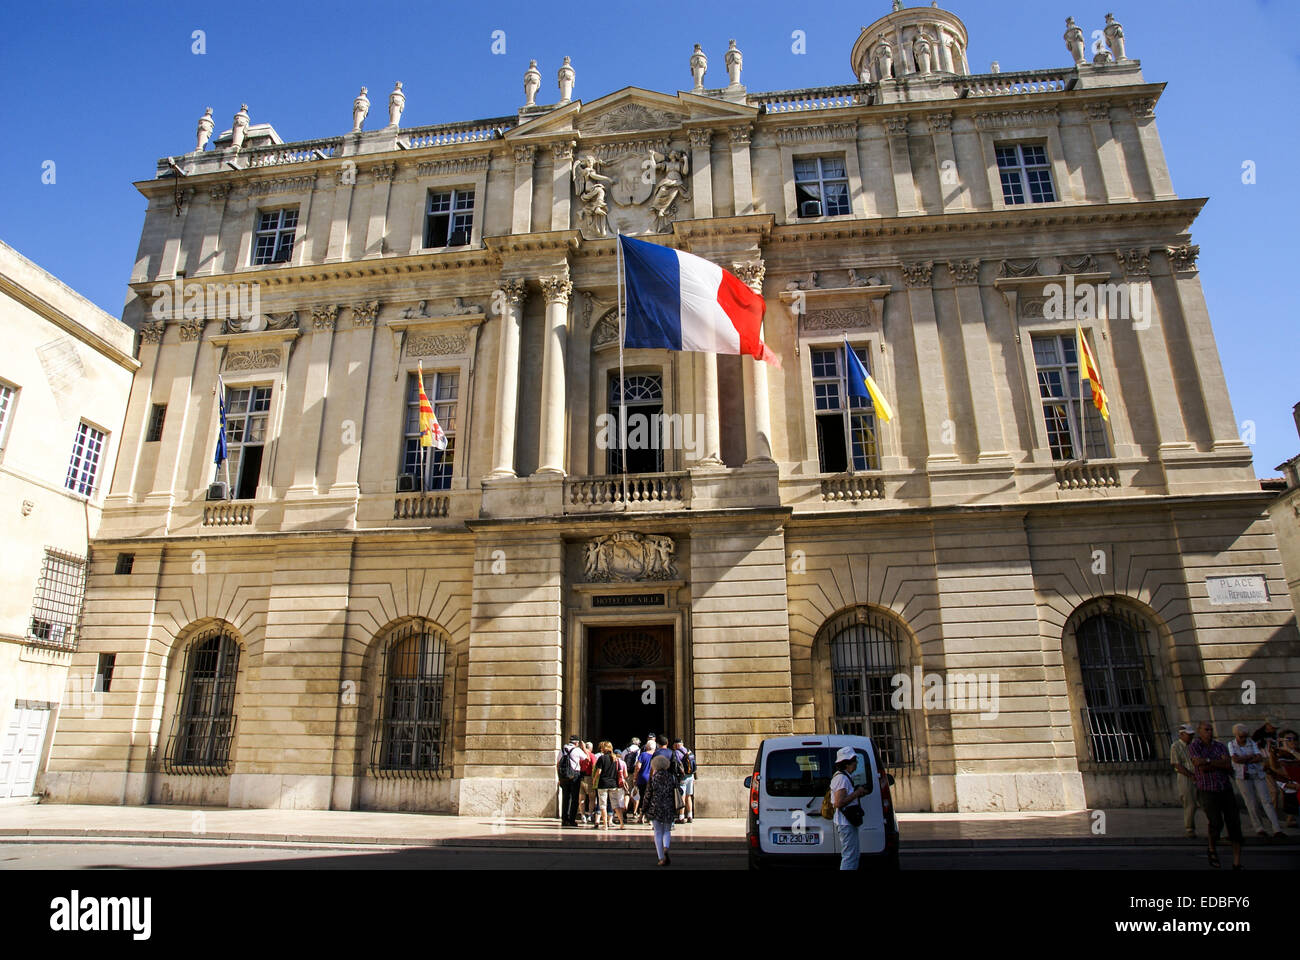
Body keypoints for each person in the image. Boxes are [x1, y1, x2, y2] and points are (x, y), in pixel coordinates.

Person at [1188, 721, 1243, 869]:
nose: (1210, 732)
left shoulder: (1220, 746)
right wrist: (1216, 763)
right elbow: (1200, 766)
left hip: (1224, 787)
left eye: (1211, 729)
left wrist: (1208, 762)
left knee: (1234, 823)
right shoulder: (1195, 746)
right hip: (1207, 789)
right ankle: (1211, 848)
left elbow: (1227, 765)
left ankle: (1237, 862)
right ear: (1199, 731)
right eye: (1206, 730)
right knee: (1216, 822)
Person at [1230, 723, 1282, 838]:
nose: (1244, 739)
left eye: (1245, 736)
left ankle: (1276, 828)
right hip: (1242, 775)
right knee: (1251, 802)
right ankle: (1259, 827)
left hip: (1258, 773)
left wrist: (1245, 758)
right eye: (1241, 736)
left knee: (1266, 800)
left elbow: (1259, 757)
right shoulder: (1231, 744)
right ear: (1236, 735)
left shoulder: (1251, 743)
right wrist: (1249, 757)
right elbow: (1236, 759)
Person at [830, 745, 870, 871]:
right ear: (847, 763)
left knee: (852, 854)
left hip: (846, 822)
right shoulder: (842, 778)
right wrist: (856, 793)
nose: (856, 764)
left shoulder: (843, 776)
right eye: (854, 761)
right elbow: (839, 802)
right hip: (845, 823)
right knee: (850, 856)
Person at [643, 753, 680, 865]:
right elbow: (679, 791)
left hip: (656, 807)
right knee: (667, 830)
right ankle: (666, 847)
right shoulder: (671, 777)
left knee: (658, 832)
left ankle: (661, 857)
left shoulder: (653, 778)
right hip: (668, 807)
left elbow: (648, 794)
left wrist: (643, 809)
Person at [1170, 723, 1199, 837]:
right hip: (1185, 777)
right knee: (1190, 803)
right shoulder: (1176, 746)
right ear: (1181, 734)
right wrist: (1191, 775)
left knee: (1206, 802)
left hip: (1199, 775)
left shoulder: (1194, 745)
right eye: (1188, 734)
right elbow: (1177, 765)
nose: (1191, 737)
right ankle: (1190, 828)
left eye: (1191, 735)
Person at [1268, 729, 1299, 827]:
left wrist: (1291, 750)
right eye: (1288, 739)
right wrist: (1272, 753)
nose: (1292, 741)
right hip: (1289, 787)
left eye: (1294, 739)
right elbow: (1275, 769)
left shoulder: (1297, 753)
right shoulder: (1279, 755)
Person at [557, 736, 584, 827]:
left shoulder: (562, 749)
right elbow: (586, 758)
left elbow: (558, 764)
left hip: (564, 776)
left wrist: (559, 777)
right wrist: (583, 748)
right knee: (574, 798)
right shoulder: (577, 750)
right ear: (576, 743)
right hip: (574, 775)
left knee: (566, 798)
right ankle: (572, 820)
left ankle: (564, 819)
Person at [592, 741, 620, 830]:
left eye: (601, 747)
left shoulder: (602, 758)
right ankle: (621, 822)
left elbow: (599, 771)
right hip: (613, 783)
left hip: (603, 783)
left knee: (602, 805)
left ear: (604, 749)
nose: (600, 749)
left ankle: (605, 825)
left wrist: (594, 779)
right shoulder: (615, 758)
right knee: (614, 804)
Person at [673, 738, 696, 824]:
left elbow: (677, 765)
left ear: (676, 745)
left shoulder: (676, 752)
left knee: (682, 797)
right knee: (688, 796)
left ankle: (681, 817)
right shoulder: (688, 750)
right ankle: (690, 816)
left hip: (683, 777)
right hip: (691, 776)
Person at [633, 739, 655, 824]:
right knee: (652, 798)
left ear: (647, 747)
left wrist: (635, 778)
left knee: (643, 798)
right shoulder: (657, 755)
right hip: (653, 779)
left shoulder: (643, 755)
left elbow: (638, 767)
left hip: (642, 779)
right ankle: (650, 819)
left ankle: (641, 817)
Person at [578, 741, 596, 823]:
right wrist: (594, 779)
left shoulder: (580, 755)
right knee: (591, 798)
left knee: (582, 798)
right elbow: (594, 767)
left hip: (580, 777)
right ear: (591, 748)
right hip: (589, 778)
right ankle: (590, 814)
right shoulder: (592, 756)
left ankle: (582, 815)